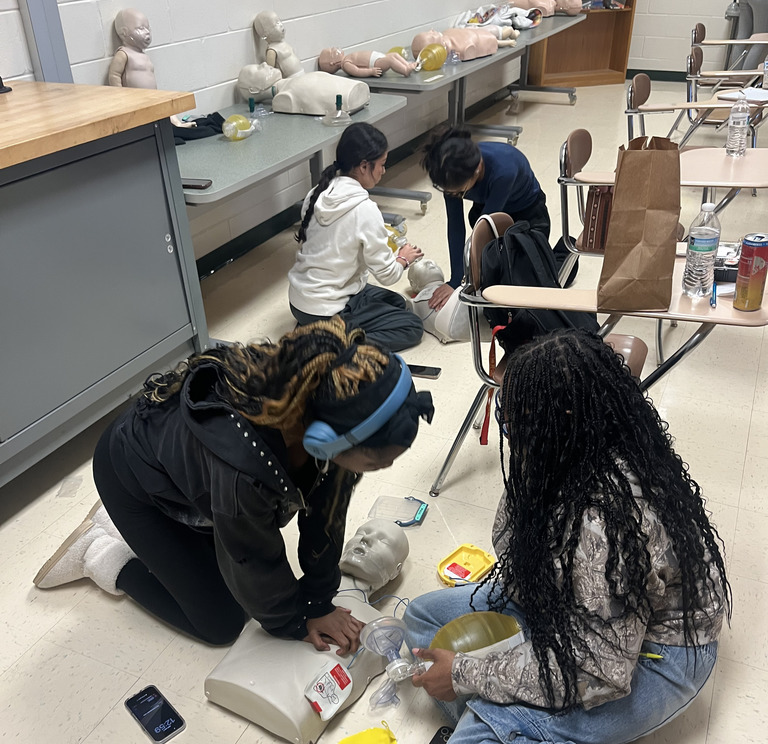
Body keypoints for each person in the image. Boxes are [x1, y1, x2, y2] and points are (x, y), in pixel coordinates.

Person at [404, 330, 766, 744]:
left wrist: (465, 675)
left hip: (653, 657)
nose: (506, 427)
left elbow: (599, 670)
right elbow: (519, 552)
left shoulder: (603, 521)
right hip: (569, 607)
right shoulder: (575, 446)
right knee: (422, 618)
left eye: (515, 418)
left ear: (552, 425)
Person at [34, 319, 433, 656]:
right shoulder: (242, 468)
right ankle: (99, 553)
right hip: (132, 481)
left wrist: (318, 598)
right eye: (376, 462)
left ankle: (143, 534)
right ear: (325, 439)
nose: (384, 469)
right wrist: (296, 620)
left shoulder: (325, 407)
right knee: (222, 622)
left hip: (191, 483)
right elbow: (250, 559)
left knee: (239, 578)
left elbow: (328, 511)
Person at [289, 123, 424, 352]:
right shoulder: (365, 209)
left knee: (397, 303)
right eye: (381, 164)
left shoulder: (316, 193)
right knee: (412, 326)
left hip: (300, 303)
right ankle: (335, 344)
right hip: (328, 310)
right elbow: (388, 275)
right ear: (363, 166)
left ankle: (316, 329)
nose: (384, 171)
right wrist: (403, 259)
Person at [421, 125, 551, 310]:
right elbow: (456, 225)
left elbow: (483, 231)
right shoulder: (450, 172)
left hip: (528, 214)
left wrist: (465, 278)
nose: (454, 195)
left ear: (478, 169)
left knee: (532, 279)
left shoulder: (504, 170)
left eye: (460, 192)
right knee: (494, 273)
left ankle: (563, 252)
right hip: (487, 207)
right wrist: (456, 280)